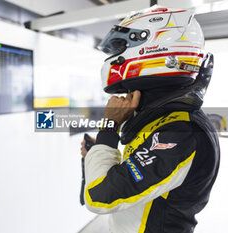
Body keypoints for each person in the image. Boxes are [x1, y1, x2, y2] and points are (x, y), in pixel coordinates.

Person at [80, 6, 220, 233]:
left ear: (154, 47)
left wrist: (109, 127)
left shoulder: (181, 132)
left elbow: (99, 196)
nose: (116, 54)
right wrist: (98, 154)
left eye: (122, 46)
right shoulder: (164, 116)